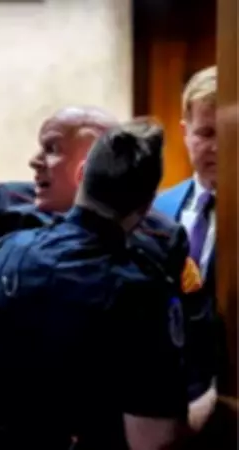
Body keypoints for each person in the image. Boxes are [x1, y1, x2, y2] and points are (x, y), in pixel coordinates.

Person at [0, 119, 189, 448]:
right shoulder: (141, 291)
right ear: (147, 203)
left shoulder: (1, 249)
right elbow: (152, 439)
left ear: (83, 178)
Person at [153, 66, 222, 440]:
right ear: (184, 133)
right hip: (158, 403)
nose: (218, 147)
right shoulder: (158, 207)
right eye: (206, 133)